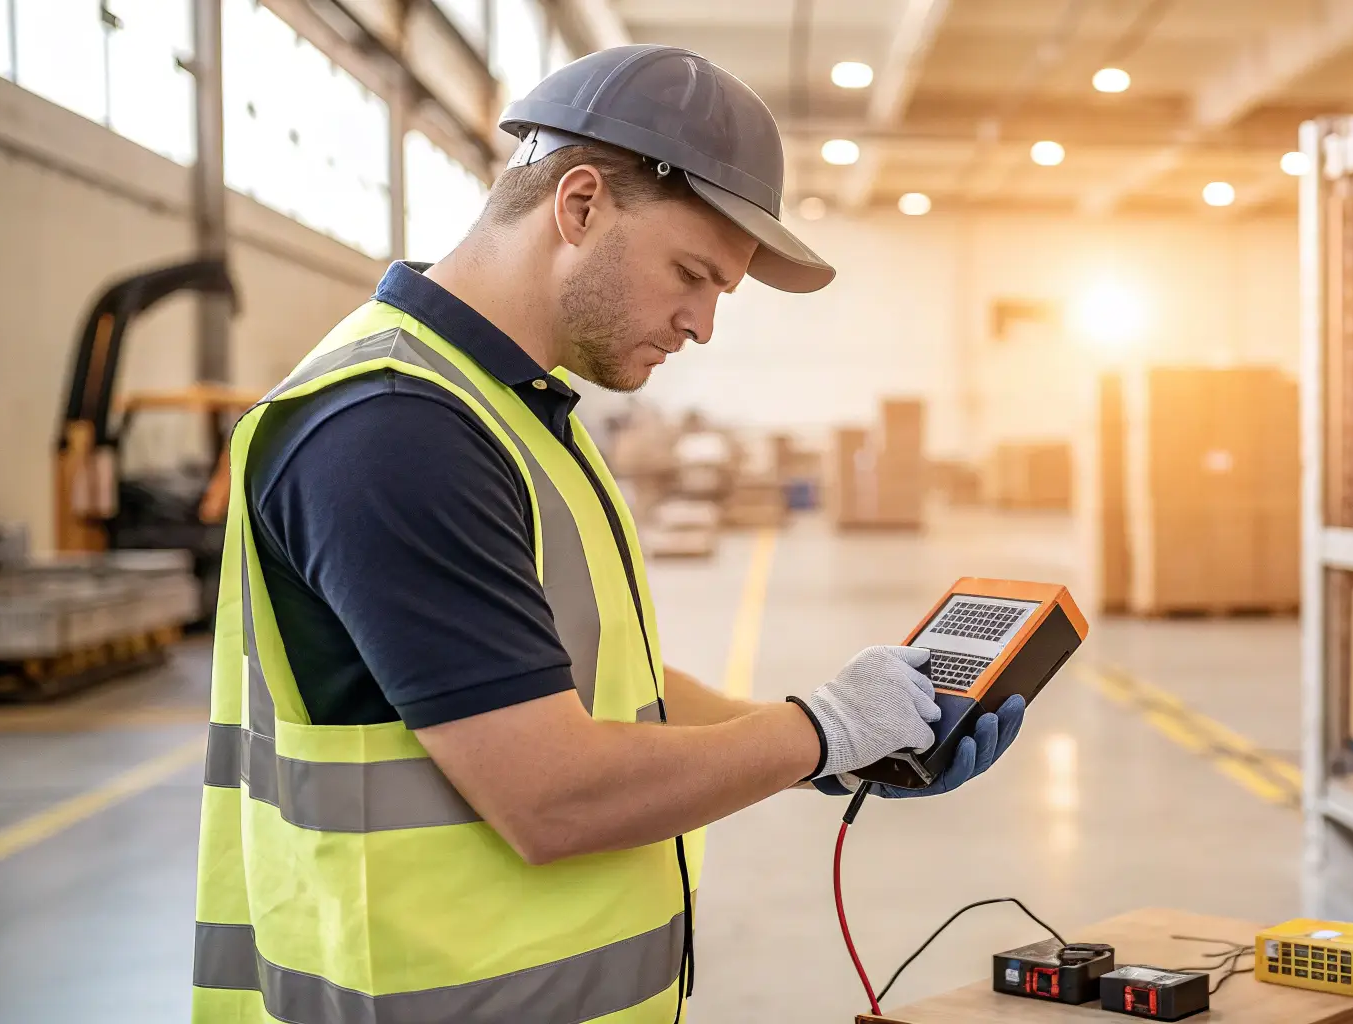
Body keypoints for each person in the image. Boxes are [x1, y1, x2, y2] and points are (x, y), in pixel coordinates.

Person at [189, 45, 1025, 1023]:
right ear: (579, 205)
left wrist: (830, 740)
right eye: (691, 273)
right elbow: (553, 795)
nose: (702, 325)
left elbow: (601, 687)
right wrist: (817, 731)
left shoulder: (506, 410)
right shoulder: (394, 429)